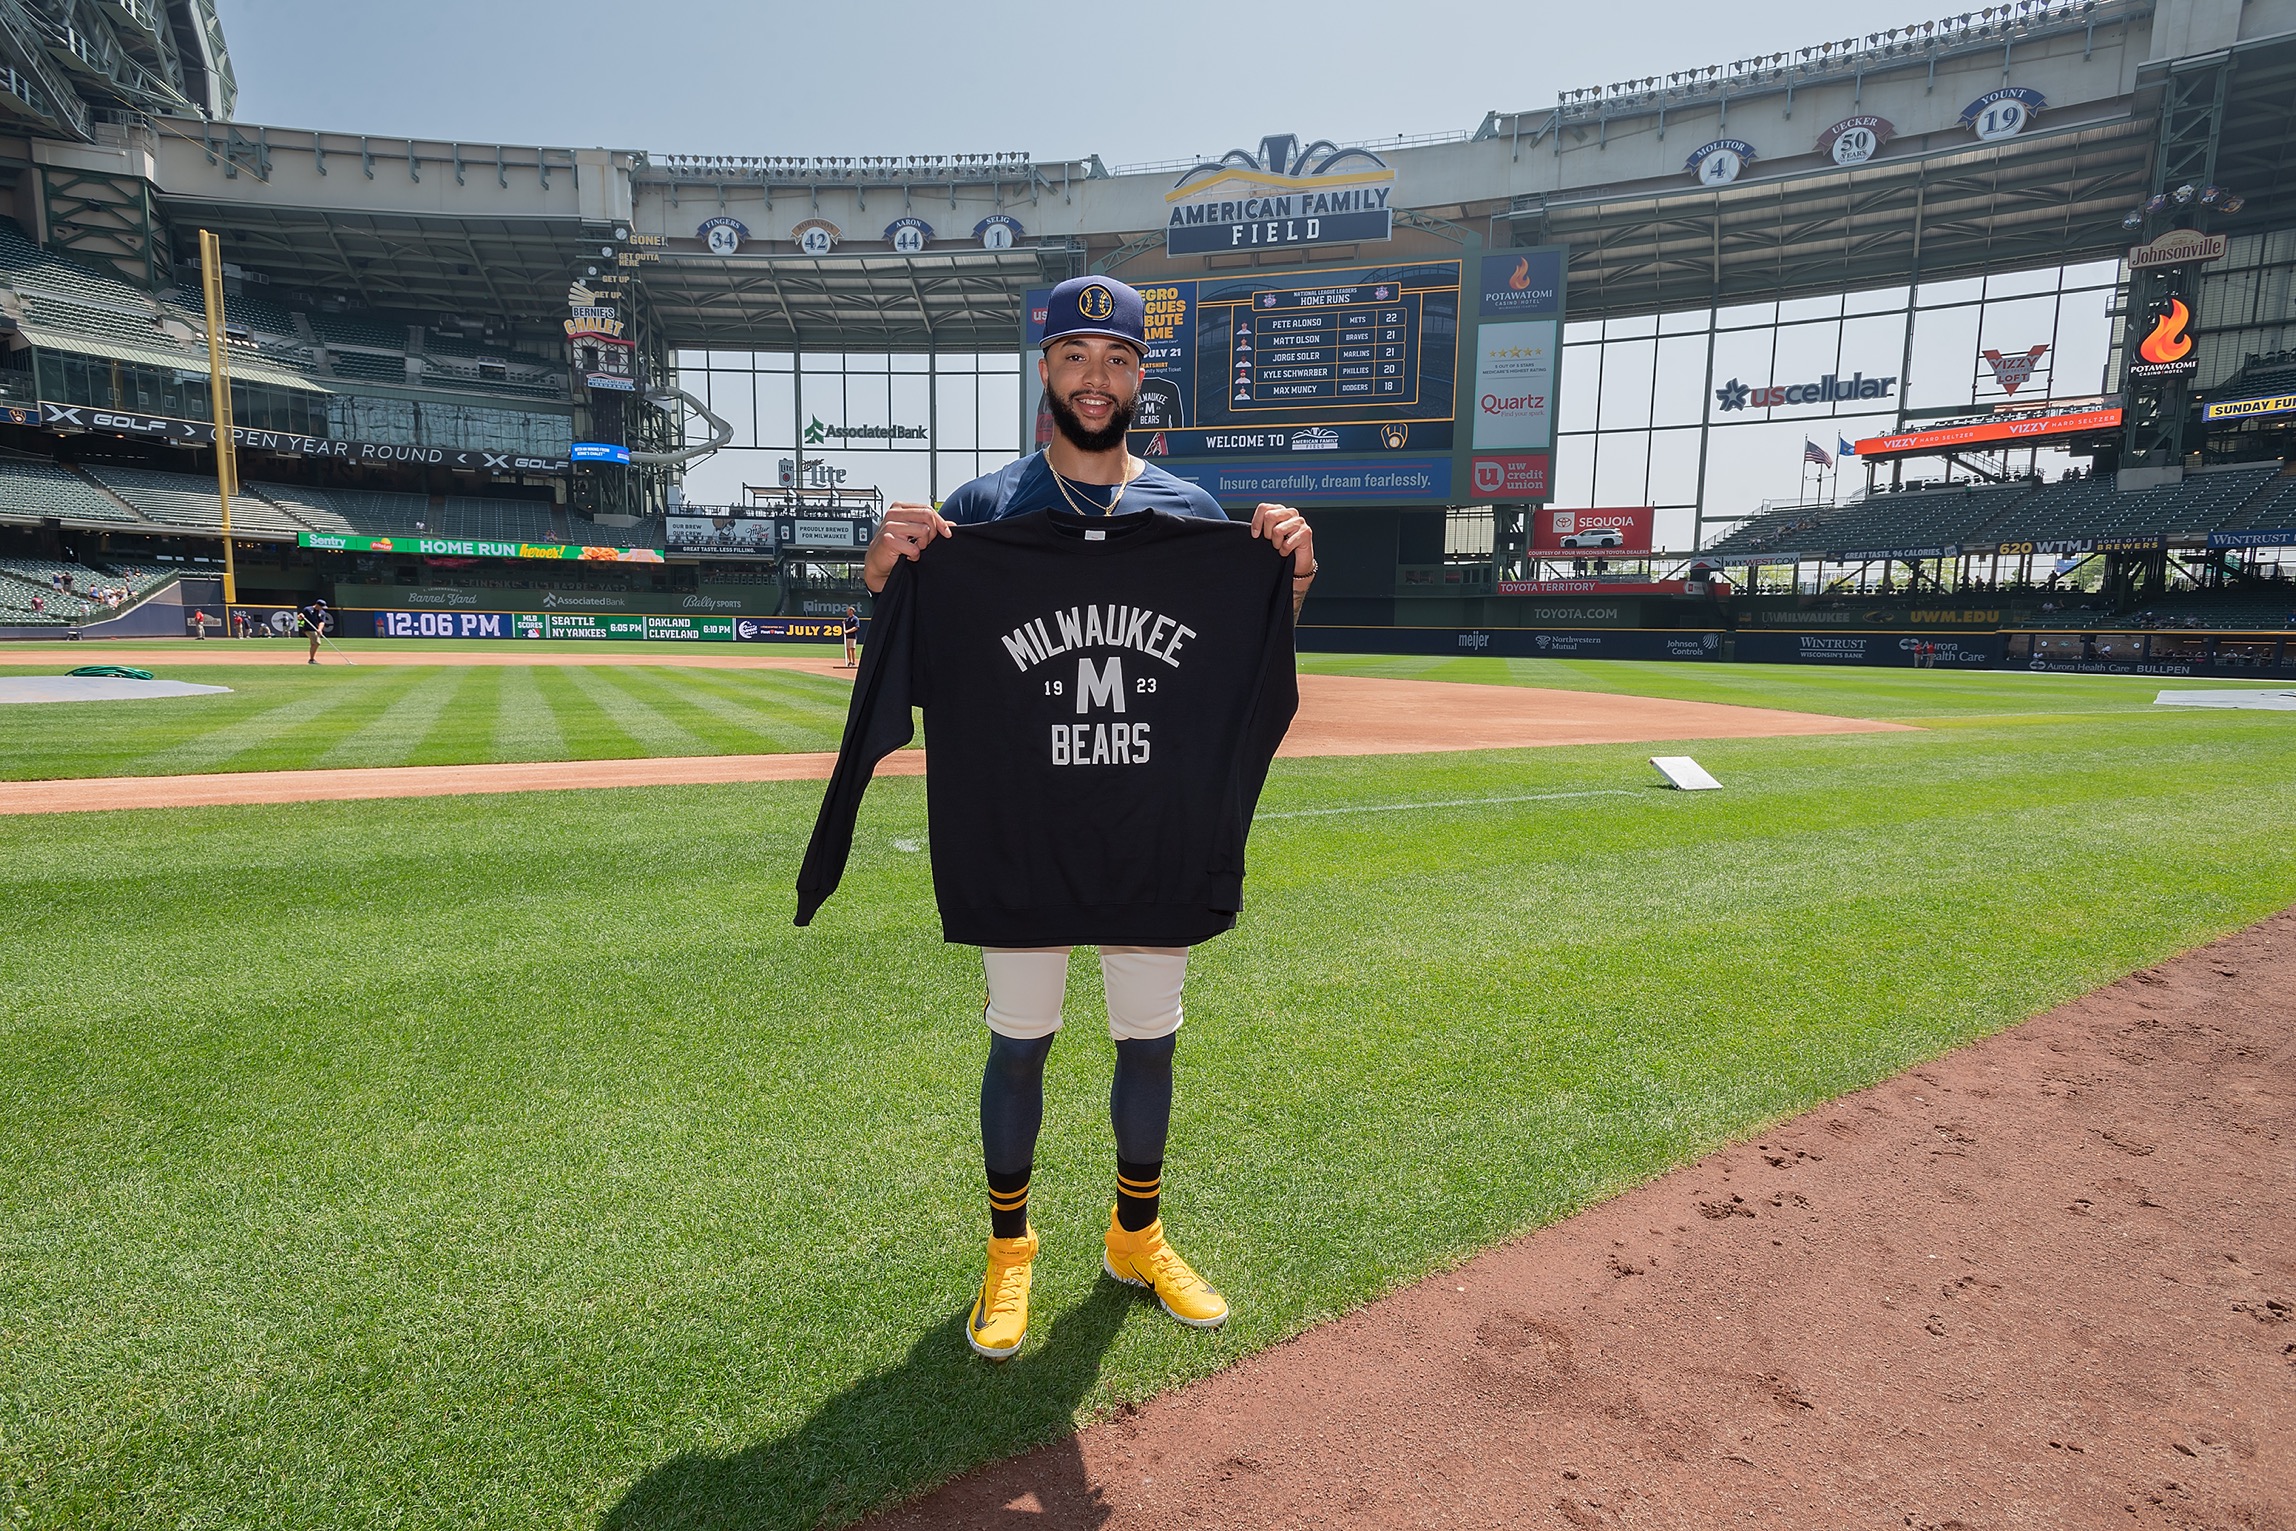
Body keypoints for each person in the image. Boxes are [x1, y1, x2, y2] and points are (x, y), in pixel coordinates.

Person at [858, 274, 1316, 1361]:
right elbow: (913, 653)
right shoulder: (979, 514)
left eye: (1115, 360)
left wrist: (1282, 578)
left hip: (1148, 823)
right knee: (1020, 1043)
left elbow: (1242, 663)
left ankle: (1135, 1234)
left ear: (1140, 377)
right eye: (1075, 357)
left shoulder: (1192, 515)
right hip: (1024, 825)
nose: (1095, 379)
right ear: (1045, 371)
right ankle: (1009, 1255)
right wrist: (884, 574)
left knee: (1147, 1040)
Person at [299, 597, 330, 664]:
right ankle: (312, 659)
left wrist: (319, 629)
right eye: (321, 607)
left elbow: (322, 622)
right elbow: (300, 618)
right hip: (308, 629)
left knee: (313, 644)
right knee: (317, 643)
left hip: (316, 630)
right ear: (317, 605)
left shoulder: (322, 612)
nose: (322, 608)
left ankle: (311, 659)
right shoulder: (307, 609)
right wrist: (300, 616)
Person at [840, 603, 859, 669]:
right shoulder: (847, 619)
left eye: (848, 611)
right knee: (848, 649)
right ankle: (850, 661)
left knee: (852, 649)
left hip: (853, 636)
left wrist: (847, 631)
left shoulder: (855, 619)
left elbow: (856, 627)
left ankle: (853, 662)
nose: (847, 612)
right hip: (847, 637)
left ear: (851, 611)